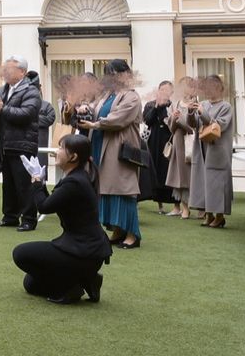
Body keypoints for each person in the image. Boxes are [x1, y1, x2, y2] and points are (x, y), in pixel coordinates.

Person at [11, 133, 112, 304]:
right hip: (87, 251)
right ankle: (87, 279)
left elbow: (43, 207)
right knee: (31, 284)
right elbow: (50, 202)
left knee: (20, 253)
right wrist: (41, 183)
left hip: (83, 251)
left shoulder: (74, 182)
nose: (56, 151)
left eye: (61, 148)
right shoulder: (78, 177)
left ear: (73, 157)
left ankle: (72, 286)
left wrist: (36, 181)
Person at [78, 59, 143, 249]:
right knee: (106, 190)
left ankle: (132, 234)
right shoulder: (107, 95)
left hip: (119, 148)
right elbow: (95, 110)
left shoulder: (132, 96)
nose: (111, 77)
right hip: (100, 145)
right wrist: (85, 108)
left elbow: (118, 119)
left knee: (123, 190)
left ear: (126, 74)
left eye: (114, 73)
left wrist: (95, 124)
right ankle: (117, 230)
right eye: (108, 74)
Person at [0, 56, 40, 231]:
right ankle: (10, 216)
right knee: (8, 183)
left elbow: (27, 115)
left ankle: (29, 219)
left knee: (24, 183)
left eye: (9, 69)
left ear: (22, 72)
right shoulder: (1, 91)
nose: (5, 72)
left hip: (23, 143)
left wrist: (2, 109)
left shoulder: (31, 91)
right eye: (4, 69)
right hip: (4, 144)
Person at [187, 74, 234, 228]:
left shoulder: (226, 107)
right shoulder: (203, 104)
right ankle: (208, 214)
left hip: (217, 149)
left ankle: (219, 216)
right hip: (201, 148)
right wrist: (190, 112)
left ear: (219, 88)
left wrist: (202, 112)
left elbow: (218, 126)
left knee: (217, 182)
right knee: (203, 181)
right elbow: (193, 125)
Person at [165, 77, 197, 219]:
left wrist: (180, 120)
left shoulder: (195, 104)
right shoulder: (175, 104)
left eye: (188, 86)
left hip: (190, 144)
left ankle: (200, 208)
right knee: (179, 176)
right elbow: (171, 128)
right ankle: (184, 207)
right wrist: (173, 118)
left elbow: (193, 128)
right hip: (178, 143)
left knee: (192, 175)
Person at [143, 80, 175, 214]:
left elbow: (168, 122)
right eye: (162, 89)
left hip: (168, 142)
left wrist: (163, 107)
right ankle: (159, 204)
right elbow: (147, 120)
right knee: (155, 169)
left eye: (167, 90)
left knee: (167, 170)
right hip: (153, 141)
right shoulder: (150, 104)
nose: (164, 92)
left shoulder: (172, 105)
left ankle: (174, 204)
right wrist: (157, 106)